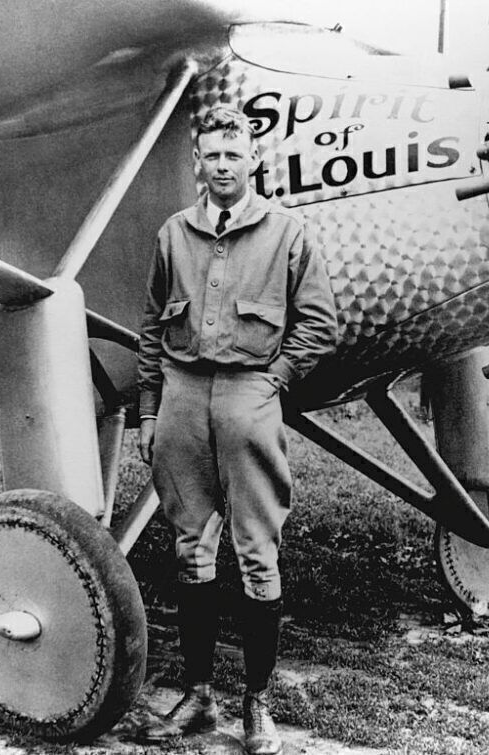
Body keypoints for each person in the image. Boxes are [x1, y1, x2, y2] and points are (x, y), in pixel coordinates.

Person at [135, 105, 338, 754]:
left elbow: (320, 323)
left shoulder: (287, 233)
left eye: (233, 155)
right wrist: (147, 410)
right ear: (197, 163)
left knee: (257, 553)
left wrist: (273, 378)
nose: (223, 167)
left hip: (250, 396)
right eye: (212, 156)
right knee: (191, 548)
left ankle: (256, 702)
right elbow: (150, 332)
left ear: (253, 161)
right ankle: (198, 691)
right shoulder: (174, 235)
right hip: (181, 401)